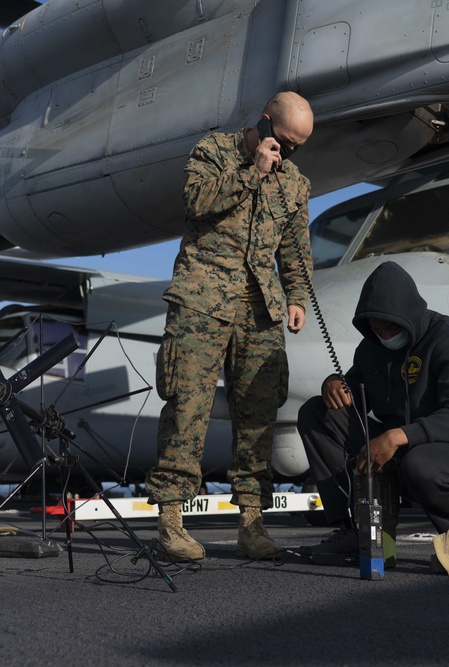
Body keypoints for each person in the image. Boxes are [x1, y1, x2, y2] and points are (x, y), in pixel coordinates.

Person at [144, 91, 315, 561]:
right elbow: (196, 202)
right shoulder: (214, 151)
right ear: (263, 124)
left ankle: (252, 525)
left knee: (259, 414)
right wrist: (251, 172)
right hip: (202, 297)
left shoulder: (295, 185)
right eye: (284, 142)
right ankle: (171, 522)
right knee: (187, 405)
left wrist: (297, 297)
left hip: (260, 309)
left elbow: (296, 253)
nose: (289, 154)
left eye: (299, 147)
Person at [297, 261, 449, 563]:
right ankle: (359, 531)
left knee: (422, 463)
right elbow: (353, 388)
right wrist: (334, 384)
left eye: (392, 327)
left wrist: (399, 435)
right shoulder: (371, 347)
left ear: (411, 315)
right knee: (317, 412)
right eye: (376, 329)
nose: (385, 335)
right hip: (398, 453)